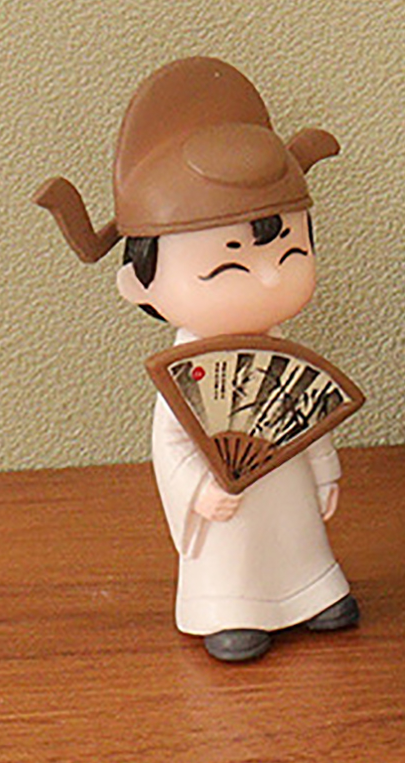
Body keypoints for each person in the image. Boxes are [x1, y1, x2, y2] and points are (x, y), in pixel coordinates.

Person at [36, 57, 361, 661]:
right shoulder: (184, 375)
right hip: (225, 502)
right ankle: (230, 609)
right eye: (229, 265)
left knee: (297, 533)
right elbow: (171, 447)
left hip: (287, 488)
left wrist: (324, 471)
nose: (270, 278)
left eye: (291, 253)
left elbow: (307, 417)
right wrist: (198, 493)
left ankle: (313, 590)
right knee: (234, 547)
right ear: (139, 283)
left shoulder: (281, 351)